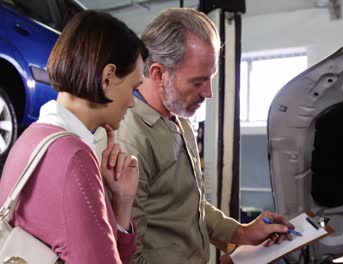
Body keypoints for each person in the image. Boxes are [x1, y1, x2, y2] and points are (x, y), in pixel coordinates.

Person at [94, 7, 295, 263]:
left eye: (210, 78)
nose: (208, 93)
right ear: (158, 74)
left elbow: (187, 205)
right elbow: (127, 255)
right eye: (198, 82)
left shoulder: (179, 118)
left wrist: (241, 232)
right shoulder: (128, 141)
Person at [0, 10, 148, 263]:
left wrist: (121, 202)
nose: (132, 103)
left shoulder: (31, 137)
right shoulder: (75, 156)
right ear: (107, 77)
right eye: (133, 88)